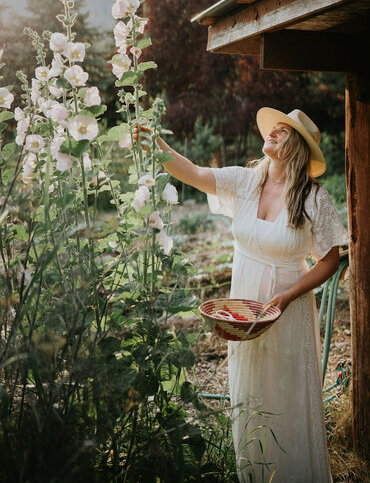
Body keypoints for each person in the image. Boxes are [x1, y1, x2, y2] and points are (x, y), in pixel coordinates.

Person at [134, 107, 348, 483]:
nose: (273, 134)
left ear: (297, 146)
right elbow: (195, 173)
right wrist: (156, 143)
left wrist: (287, 297)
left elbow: (332, 258)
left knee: (286, 397)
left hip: (288, 307)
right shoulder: (247, 181)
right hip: (243, 302)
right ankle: (254, 474)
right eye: (274, 129)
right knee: (250, 393)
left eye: (284, 132)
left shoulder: (313, 198)